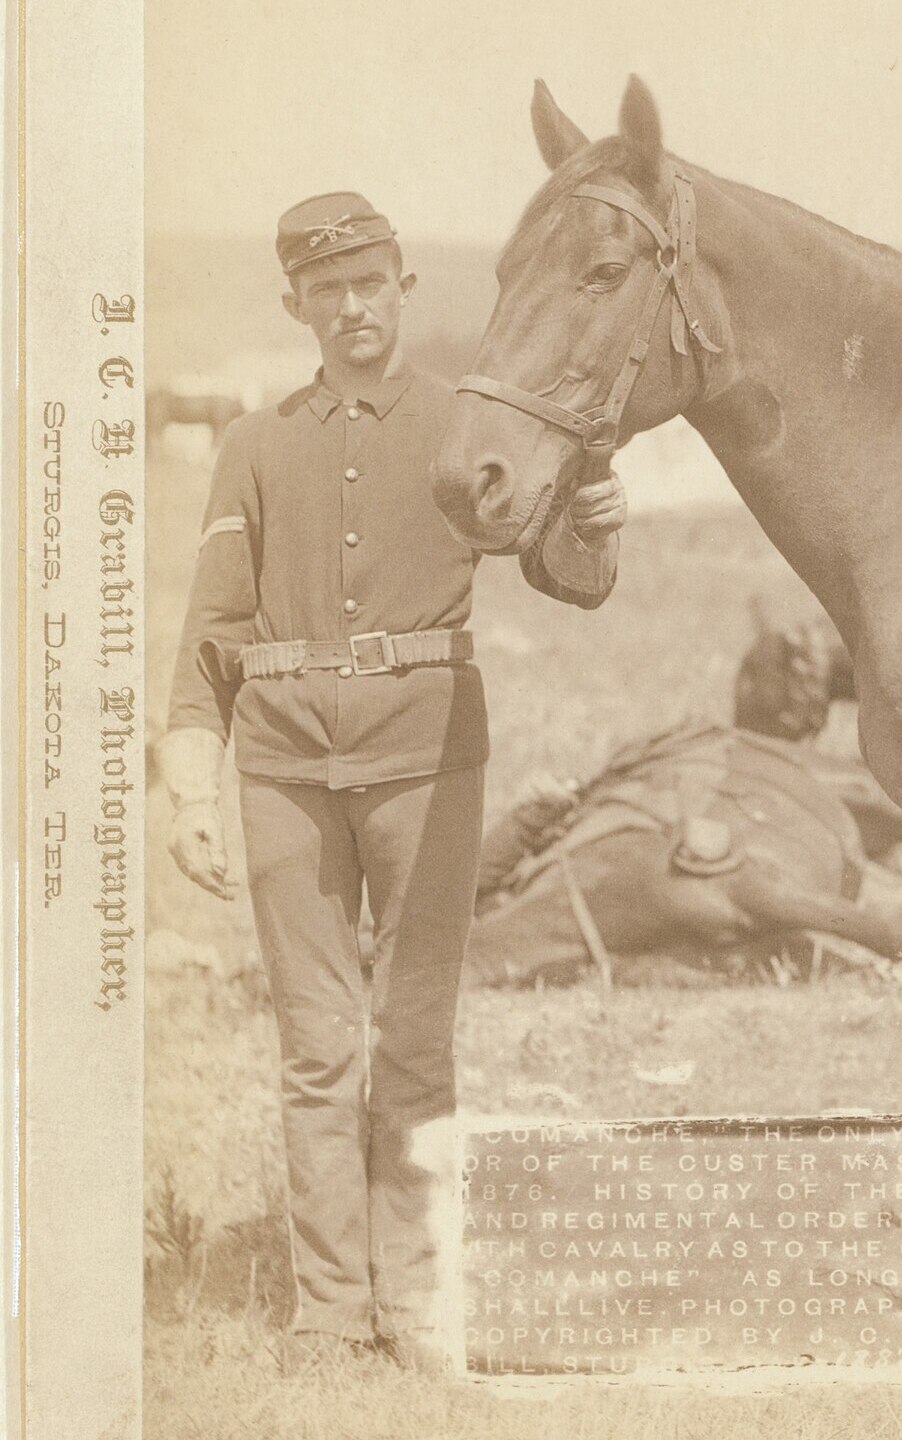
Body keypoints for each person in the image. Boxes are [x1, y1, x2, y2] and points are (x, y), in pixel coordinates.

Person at [156, 193, 628, 1375]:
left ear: (404, 286)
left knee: (413, 1041)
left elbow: (567, 573)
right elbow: (210, 634)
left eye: (372, 282)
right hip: (282, 771)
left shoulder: (460, 426)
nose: (353, 306)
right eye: (329, 289)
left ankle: (413, 1304)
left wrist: (595, 522)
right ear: (296, 305)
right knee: (318, 1050)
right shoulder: (254, 445)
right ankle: (328, 1312)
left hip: (426, 762)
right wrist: (185, 785)